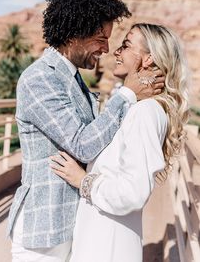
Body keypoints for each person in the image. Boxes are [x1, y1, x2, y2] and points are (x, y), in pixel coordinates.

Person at [7, 0, 164, 262]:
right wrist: (128, 93)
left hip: (72, 228)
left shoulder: (74, 80)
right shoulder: (39, 79)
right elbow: (82, 144)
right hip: (44, 231)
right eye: (100, 38)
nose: (106, 48)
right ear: (75, 34)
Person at [50, 23, 189, 262]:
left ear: (148, 59)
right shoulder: (138, 107)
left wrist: (83, 181)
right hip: (102, 236)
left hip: (108, 245)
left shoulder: (145, 112)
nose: (116, 52)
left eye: (125, 45)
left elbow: (132, 193)